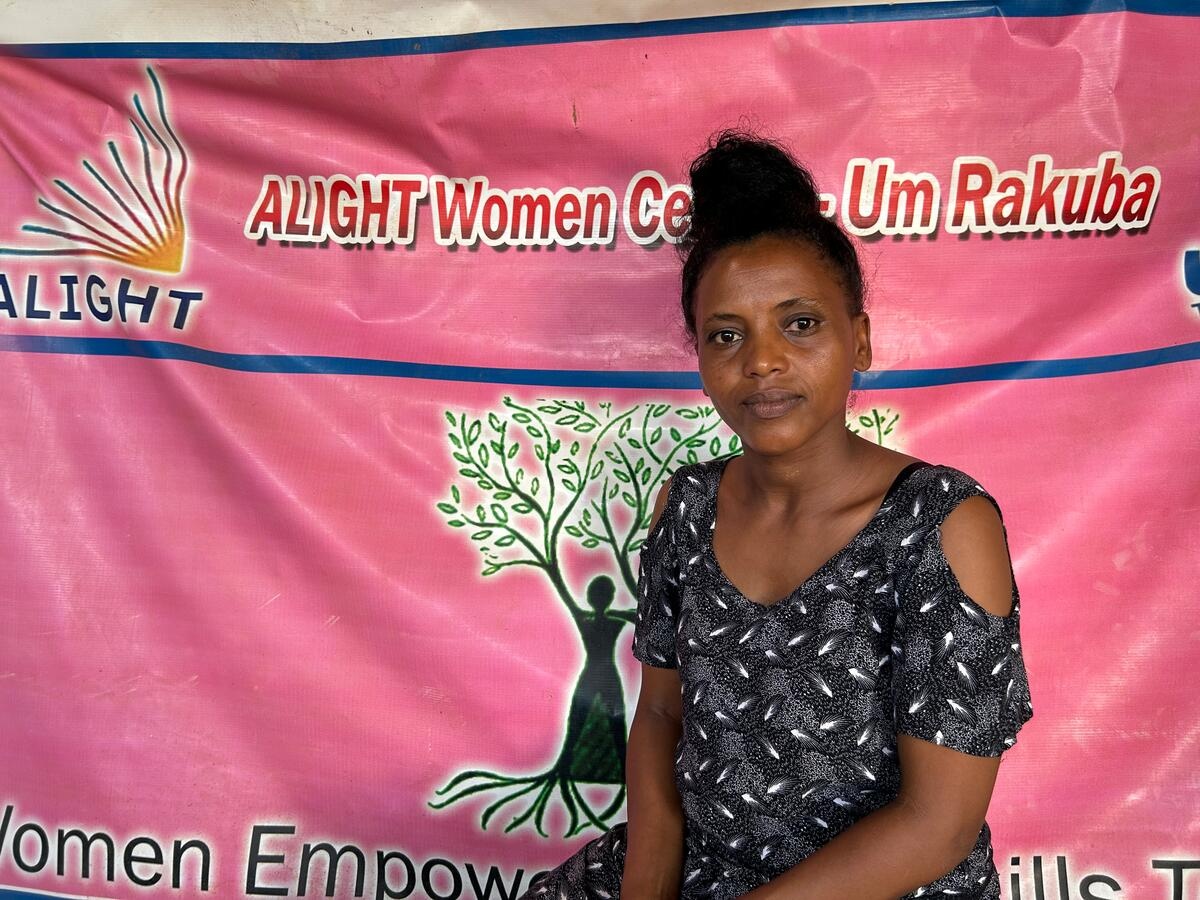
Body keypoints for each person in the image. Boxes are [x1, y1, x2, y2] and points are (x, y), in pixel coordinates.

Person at [521, 129, 1033, 900]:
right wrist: (647, 890)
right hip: (705, 869)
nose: (761, 360)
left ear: (860, 340)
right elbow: (659, 715)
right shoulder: (687, 508)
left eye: (800, 324)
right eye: (727, 335)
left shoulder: (940, 526)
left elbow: (938, 825)